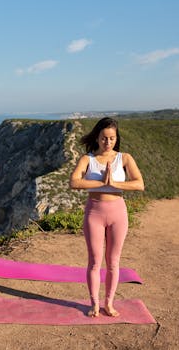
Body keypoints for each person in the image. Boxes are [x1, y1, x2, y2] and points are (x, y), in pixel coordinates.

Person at [69, 117, 144, 317]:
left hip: (118, 212)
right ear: (97, 137)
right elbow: (74, 182)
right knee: (94, 261)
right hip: (94, 212)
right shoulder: (88, 159)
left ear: (116, 138)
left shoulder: (124, 158)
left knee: (113, 261)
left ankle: (109, 303)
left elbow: (139, 184)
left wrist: (115, 184)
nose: (107, 142)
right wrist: (101, 182)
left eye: (111, 138)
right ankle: (94, 303)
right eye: (104, 138)